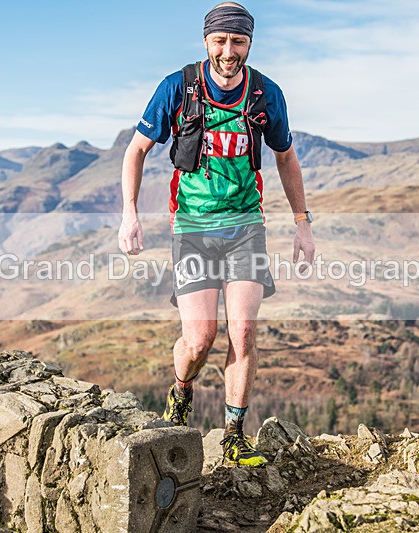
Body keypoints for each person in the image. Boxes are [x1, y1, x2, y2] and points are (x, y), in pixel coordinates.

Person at [119, 2, 315, 467]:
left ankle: (233, 435)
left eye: (238, 41)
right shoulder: (178, 88)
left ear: (250, 43)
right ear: (206, 42)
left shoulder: (266, 94)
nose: (229, 51)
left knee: (243, 333)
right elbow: (136, 150)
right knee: (200, 339)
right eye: (220, 41)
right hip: (192, 227)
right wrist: (129, 213)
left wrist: (302, 223)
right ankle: (181, 389)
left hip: (247, 226)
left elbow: (286, 158)